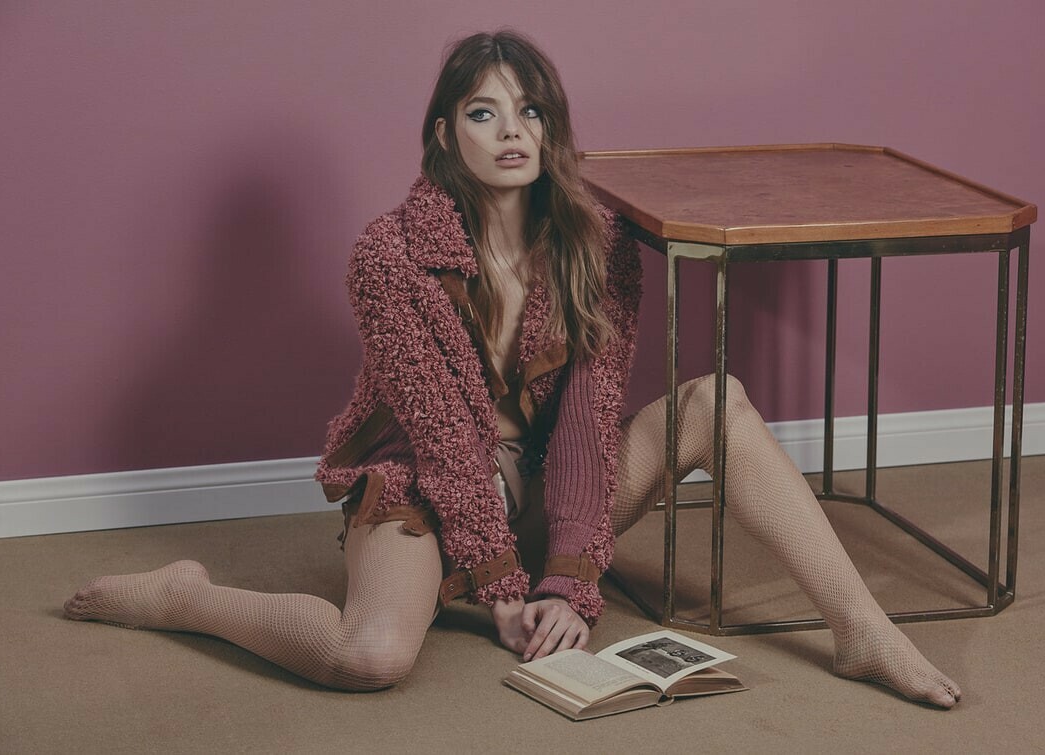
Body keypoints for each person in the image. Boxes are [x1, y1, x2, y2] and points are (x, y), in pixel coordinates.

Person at [64, 30, 961, 708]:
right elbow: (446, 442)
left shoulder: (597, 245)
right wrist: (501, 590)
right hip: (423, 488)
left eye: (530, 111)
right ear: (444, 132)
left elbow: (588, 422)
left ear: (551, 128)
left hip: (540, 488)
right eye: (484, 112)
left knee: (715, 401)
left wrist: (570, 582)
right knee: (366, 655)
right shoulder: (390, 256)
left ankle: (862, 629)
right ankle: (188, 598)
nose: (511, 132)